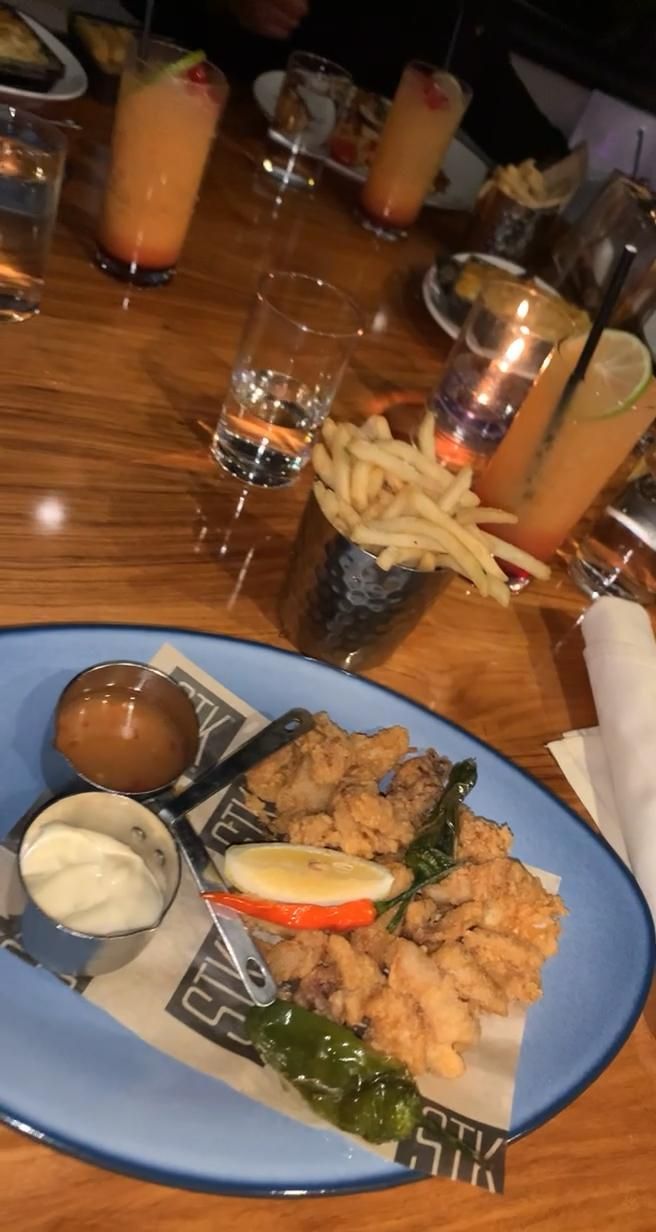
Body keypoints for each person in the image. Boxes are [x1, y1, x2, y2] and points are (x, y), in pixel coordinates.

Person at [129, 0, 568, 164]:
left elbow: (504, 109)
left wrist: (553, 170)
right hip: (208, 146)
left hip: (349, 228)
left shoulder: (460, 17)